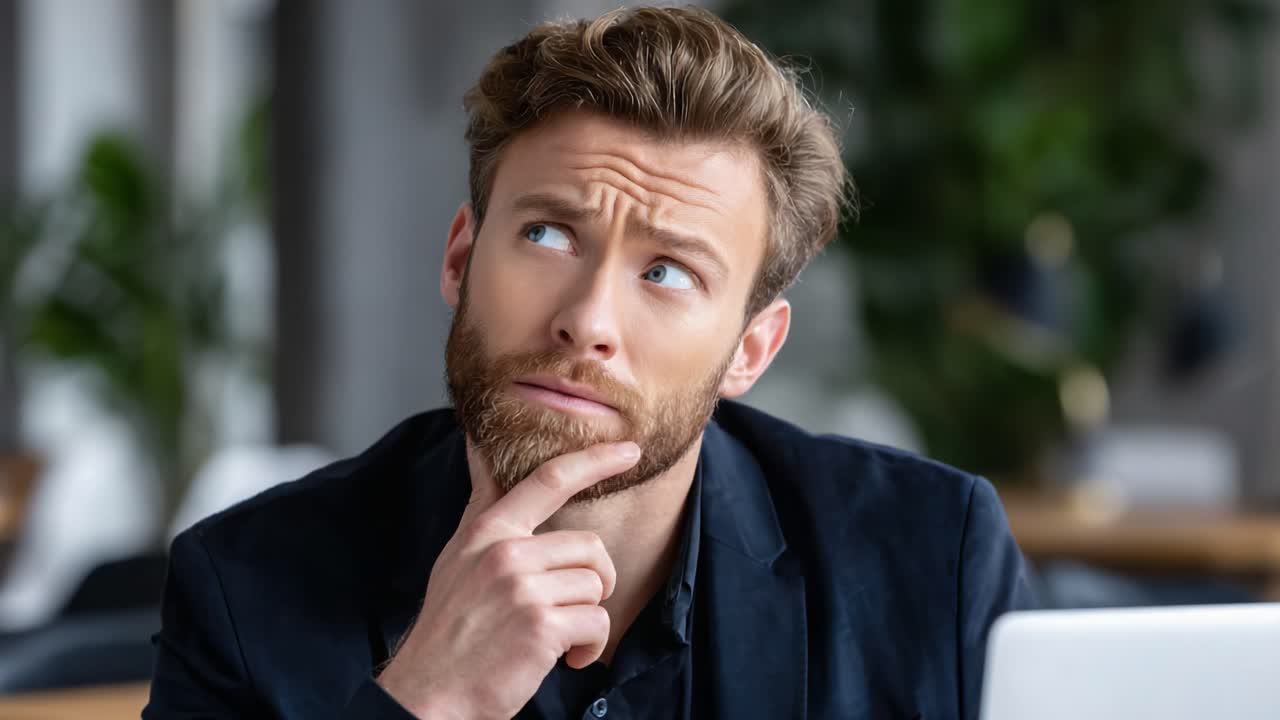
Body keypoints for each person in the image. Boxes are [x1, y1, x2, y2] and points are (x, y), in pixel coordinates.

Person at [144, 6, 1034, 719]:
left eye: (669, 272)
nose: (587, 322)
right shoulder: (242, 590)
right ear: (460, 259)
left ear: (751, 349)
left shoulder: (934, 560)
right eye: (547, 233)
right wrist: (426, 704)